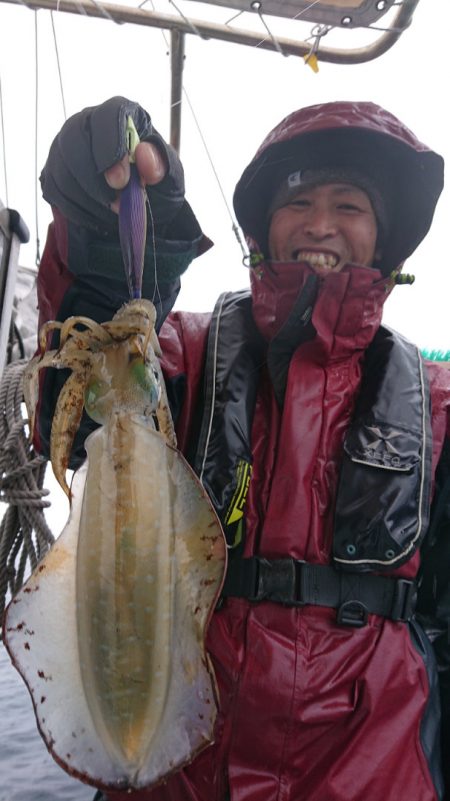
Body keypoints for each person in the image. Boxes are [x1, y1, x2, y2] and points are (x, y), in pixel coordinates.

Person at [34, 96, 450, 801]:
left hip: (375, 774)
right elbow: (96, 360)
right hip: (180, 772)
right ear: (264, 227)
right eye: (300, 202)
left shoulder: (437, 403)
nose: (321, 223)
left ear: (383, 237)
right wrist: (116, 233)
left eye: (349, 205)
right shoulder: (185, 355)